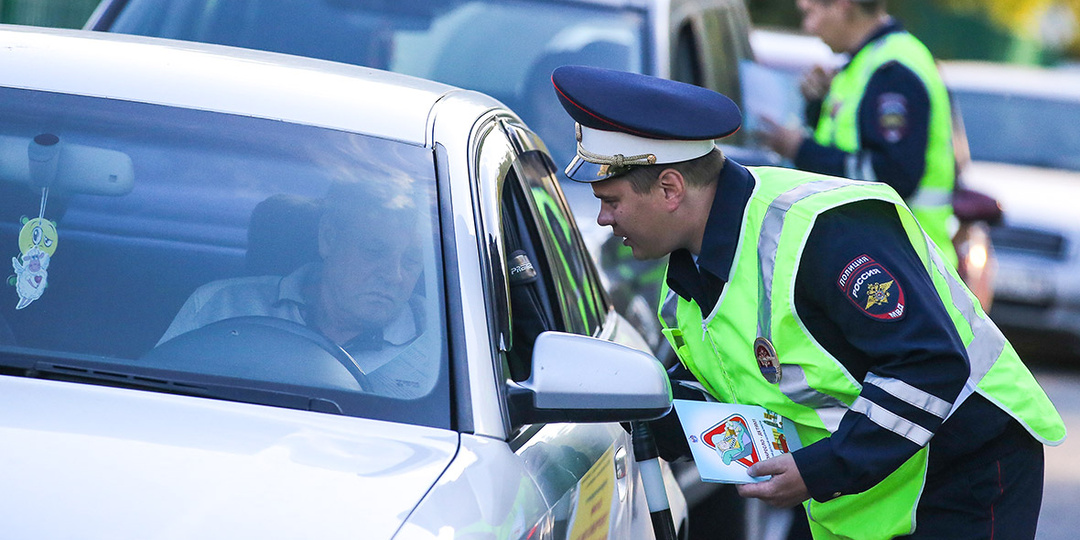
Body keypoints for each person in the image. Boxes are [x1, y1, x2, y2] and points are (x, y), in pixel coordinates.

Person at [550, 64, 1065, 539]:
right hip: (865, 490)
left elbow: (929, 364)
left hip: (963, 469)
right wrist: (636, 413)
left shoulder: (820, 233)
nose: (602, 220)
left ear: (669, 188)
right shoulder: (684, 283)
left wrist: (819, 471)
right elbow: (740, 392)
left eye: (610, 201)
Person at [159, 181, 435, 398]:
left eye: (411, 260)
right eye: (375, 251)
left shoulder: (445, 345)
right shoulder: (220, 305)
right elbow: (156, 400)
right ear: (328, 238)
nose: (394, 276)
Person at [757, 0, 959, 268]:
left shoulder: (892, 72)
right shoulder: (868, 62)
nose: (808, 27)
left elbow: (893, 175)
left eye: (811, 13)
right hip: (885, 255)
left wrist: (799, 149)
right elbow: (847, 143)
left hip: (904, 261)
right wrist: (817, 105)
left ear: (843, 6)